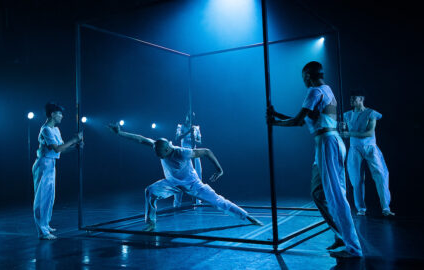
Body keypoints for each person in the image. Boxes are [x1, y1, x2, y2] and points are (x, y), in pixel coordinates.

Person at [266, 61, 363, 258]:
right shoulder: (327, 90)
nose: (303, 81)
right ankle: (341, 235)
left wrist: (274, 123)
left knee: (335, 196)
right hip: (329, 142)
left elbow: (297, 121)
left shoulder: (314, 91)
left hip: (327, 143)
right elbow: (307, 119)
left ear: (308, 76)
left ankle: (353, 247)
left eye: (303, 78)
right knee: (319, 193)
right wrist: (277, 115)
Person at [108, 123, 263, 232]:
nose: (158, 156)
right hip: (172, 183)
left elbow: (207, 151)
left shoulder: (182, 152)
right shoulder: (158, 146)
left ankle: (248, 217)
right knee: (150, 191)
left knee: (219, 202)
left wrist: (219, 169)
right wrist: (120, 133)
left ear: (168, 149)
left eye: (160, 153)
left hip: (193, 184)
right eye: (156, 153)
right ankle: (151, 223)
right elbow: (141, 139)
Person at [33, 102, 83, 240]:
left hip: (51, 164)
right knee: (42, 198)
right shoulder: (46, 129)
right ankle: (42, 231)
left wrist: (75, 146)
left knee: (49, 197)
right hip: (43, 164)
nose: (62, 116)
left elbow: (62, 149)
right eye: (59, 113)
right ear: (53, 114)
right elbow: (56, 149)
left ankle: (46, 224)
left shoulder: (56, 130)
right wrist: (74, 139)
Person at [341, 90, 394, 216]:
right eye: (351, 98)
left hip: (370, 147)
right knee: (356, 179)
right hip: (355, 149)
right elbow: (343, 131)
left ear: (361, 99)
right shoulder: (347, 115)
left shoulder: (371, 113)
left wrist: (350, 134)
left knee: (380, 175)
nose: (352, 101)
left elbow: (369, 133)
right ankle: (361, 208)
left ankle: (386, 208)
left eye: (355, 98)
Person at [174, 112, 202, 207]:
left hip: (194, 152)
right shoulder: (180, 127)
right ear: (186, 116)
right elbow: (177, 138)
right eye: (189, 116)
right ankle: (177, 203)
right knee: (180, 177)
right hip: (184, 152)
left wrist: (194, 137)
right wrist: (188, 132)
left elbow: (200, 142)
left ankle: (198, 200)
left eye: (192, 117)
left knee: (197, 176)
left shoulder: (196, 128)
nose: (190, 118)